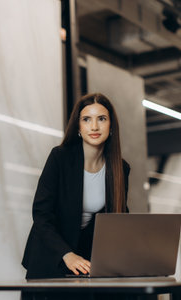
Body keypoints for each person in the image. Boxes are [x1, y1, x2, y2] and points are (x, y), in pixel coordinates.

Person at [21, 92, 130, 280]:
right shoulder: (59, 158)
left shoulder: (120, 168)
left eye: (102, 119)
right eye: (87, 119)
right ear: (78, 127)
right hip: (51, 255)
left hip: (85, 261)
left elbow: (117, 218)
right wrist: (67, 254)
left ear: (111, 125)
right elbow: (41, 215)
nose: (94, 126)